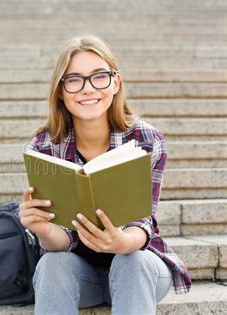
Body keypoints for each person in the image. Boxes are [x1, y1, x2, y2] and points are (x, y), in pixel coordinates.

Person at [18, 35, 191, 314]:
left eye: (99, 76)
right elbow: (62, 241)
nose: (87, 89)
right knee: (51, 263)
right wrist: (42, 229)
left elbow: (143, 222)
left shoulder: (146, 139)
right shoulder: (43, 146)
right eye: (74, 79)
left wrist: (121, 242)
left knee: (130, 261)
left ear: (115, 82)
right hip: (79, 274)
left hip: (139, 269)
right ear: (60, 91)